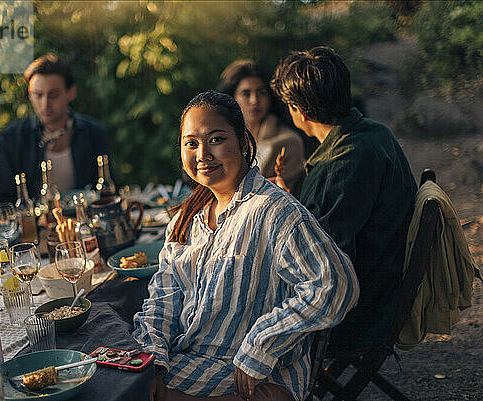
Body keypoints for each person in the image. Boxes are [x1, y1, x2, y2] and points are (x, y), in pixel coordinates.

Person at [132, 91, 359, 401]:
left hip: (250, 376)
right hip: (188, 364)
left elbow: (335, 284)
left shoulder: (273, 211)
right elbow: (163, 300)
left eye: (216, 139)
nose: (202, 155)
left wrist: (259, 347)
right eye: (191, 143)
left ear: (243, 141)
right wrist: (152, 361)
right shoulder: (186, 220)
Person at [271, 46, 418, 356]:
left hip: (358, 313)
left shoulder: (341, 163)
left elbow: (316, 261)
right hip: (381, 289)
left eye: (289, 105)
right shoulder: (375, 133)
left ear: (302, 112)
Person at [0, 54, 109, 204]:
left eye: (53, 95)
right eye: (38, 95)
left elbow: (106, 190)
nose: (45, 103)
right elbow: (3, 199)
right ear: (30, 94)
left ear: (71, 93)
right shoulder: (12, 138)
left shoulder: (93, 133)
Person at [216, 60, 305, 196]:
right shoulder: (222, 138)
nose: (254, 101)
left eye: (261, 93)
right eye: (246, 94)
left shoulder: (289, 142)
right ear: (232, 98)